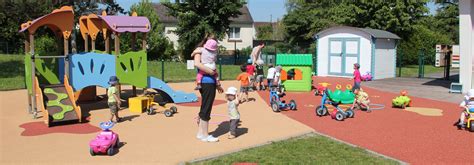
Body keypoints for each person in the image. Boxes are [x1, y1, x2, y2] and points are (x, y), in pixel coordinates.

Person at [194, 38, 224, 143]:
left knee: (205, 106)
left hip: (209, 83)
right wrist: (211, 72)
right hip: (207, 83)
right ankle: (205, 135)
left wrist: (217, 85)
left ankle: (200, 133)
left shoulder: (204, 51)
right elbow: (197, 64)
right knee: (207, 107)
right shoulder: (200, 50)